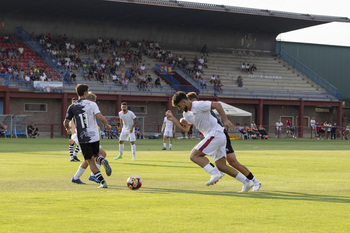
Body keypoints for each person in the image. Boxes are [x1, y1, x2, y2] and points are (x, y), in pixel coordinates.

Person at [166, 91, 255, 192]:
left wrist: (225, 120)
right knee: (221, 166)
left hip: (215, 134)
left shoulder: (198, 105)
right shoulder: (186, 114)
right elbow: (186, 129)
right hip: (216, 136)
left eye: (179, 106)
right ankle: (246, 182)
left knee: (194, 155)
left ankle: (214, 173)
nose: (179, 108)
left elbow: (217, 105)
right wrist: (173, 120)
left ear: (183, 102)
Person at [187, 92, 261, 191]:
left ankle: (255, 182)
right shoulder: (194, 111)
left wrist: (225, 120)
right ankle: (247, 181)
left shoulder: (201, 107)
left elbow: (216, 108)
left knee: (232, 162)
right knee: (229, 163)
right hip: (214, 135)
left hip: (218, 134)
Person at [64, 84, 112, 188]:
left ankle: (103, 182)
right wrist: (107, 125)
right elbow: (100, 117)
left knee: (90, 161)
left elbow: (66, 121)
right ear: (85, 93)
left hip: (82, 137)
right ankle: (102, 160)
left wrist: (67, 129)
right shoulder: (92, 104)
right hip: (94, 136)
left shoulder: (72, 106)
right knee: (95, 156)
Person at [68, 97, 81, 162]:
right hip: (72, 126)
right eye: (74, 102)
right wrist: (68, 128)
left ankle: (75, 155)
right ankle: (71, 157)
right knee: (72, 142)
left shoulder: (79, 109)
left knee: (80, 141)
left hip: (78, 126)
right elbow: (67, 119)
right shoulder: (71, 109)